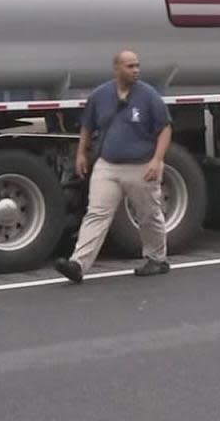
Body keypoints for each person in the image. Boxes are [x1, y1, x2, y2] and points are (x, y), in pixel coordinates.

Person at [55, 50, 173, 283]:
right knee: (97, 213)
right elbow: (87, 127)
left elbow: (165, 128)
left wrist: (157, 159)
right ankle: (78, 263)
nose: (135, 70)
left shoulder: (148, 95)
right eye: (130, 66)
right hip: (108, 165)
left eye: (137, 65)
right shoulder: (101, 95)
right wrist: (80, 154)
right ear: (117, 68)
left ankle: (157, 259)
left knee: (148, 214)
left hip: (140, 166)